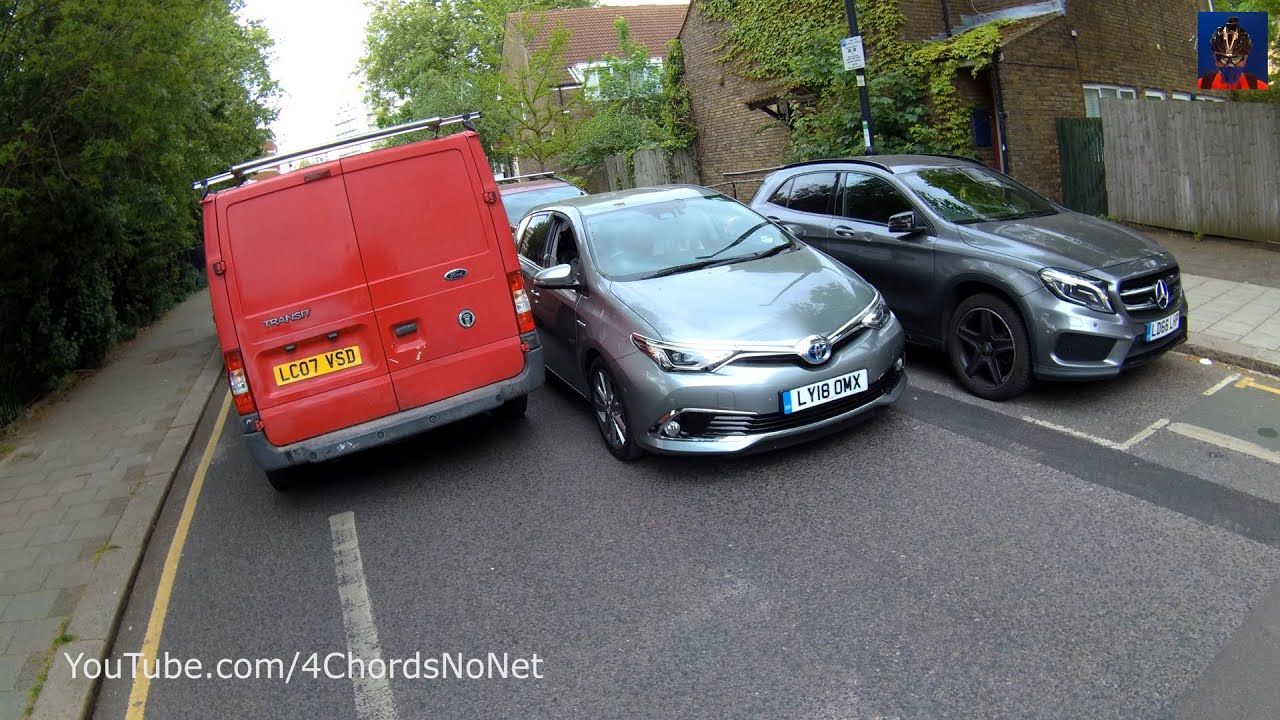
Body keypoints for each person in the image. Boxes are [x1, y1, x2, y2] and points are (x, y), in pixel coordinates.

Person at [1199, 16, 1269, 90]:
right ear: (1215, 59)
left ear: (1245, 59)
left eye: (1236, 59)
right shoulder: (1202, 84)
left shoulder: (1260, 87)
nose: (1230, 65)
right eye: (1223, 59)